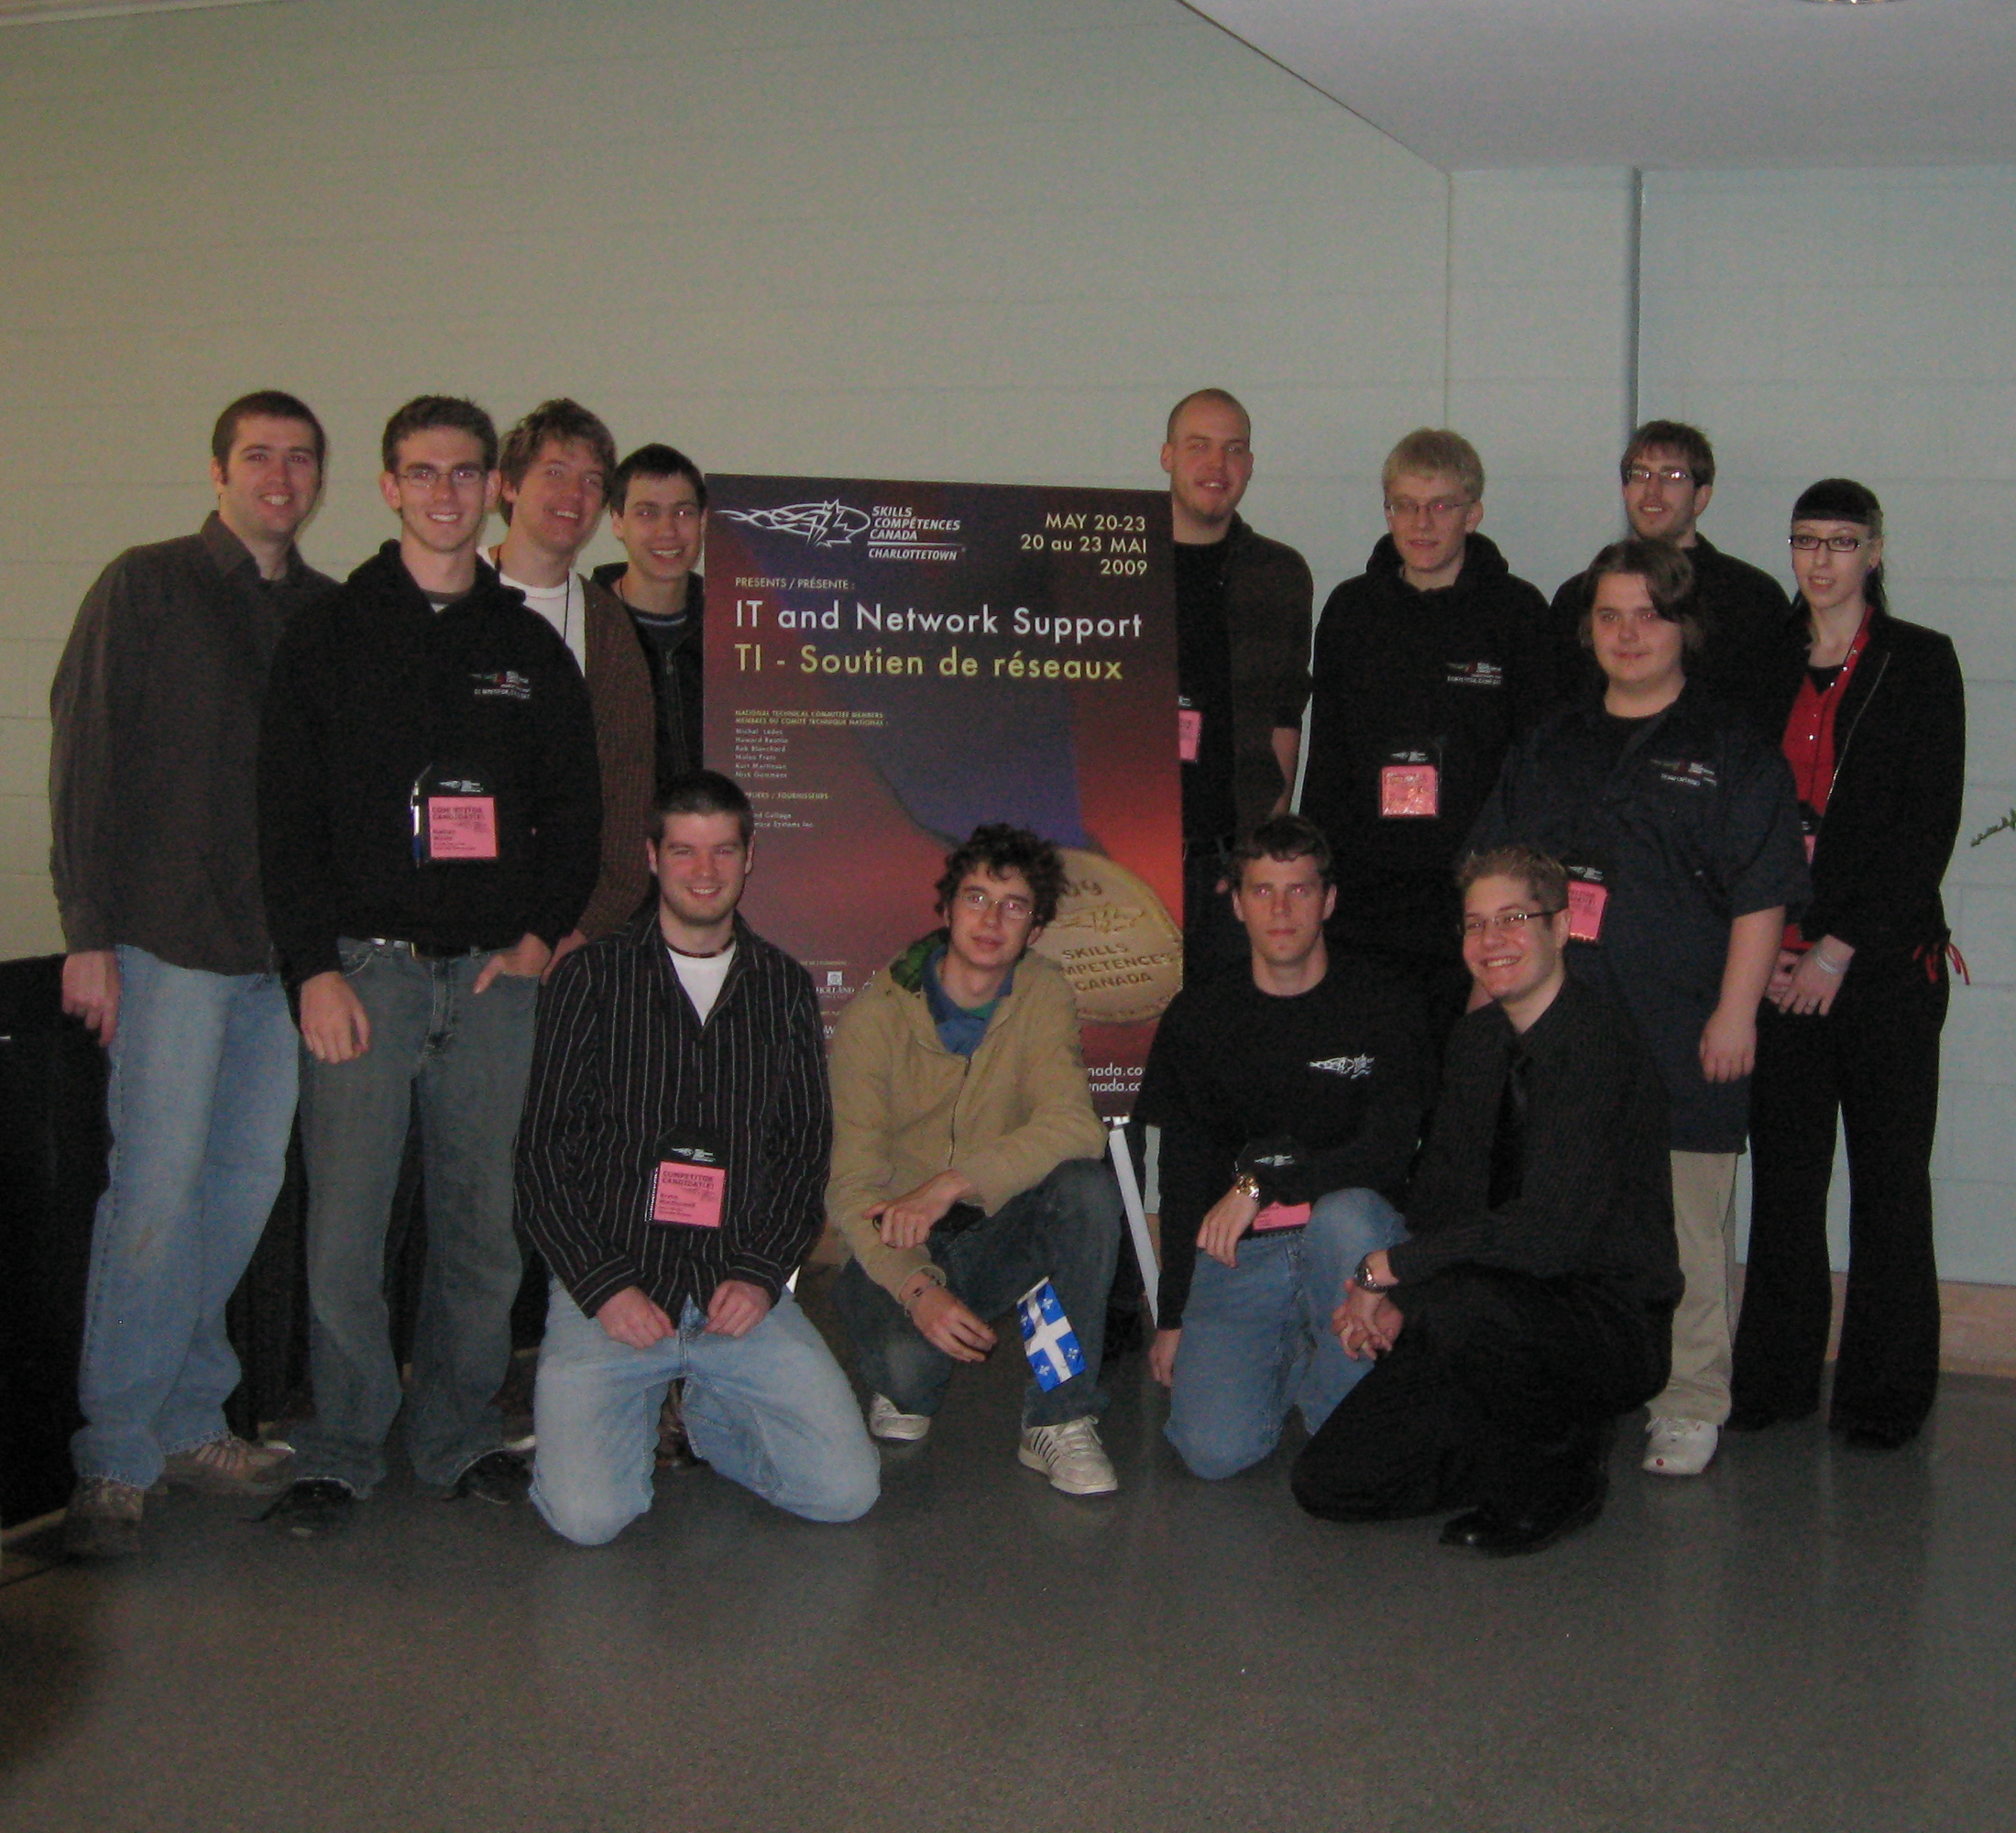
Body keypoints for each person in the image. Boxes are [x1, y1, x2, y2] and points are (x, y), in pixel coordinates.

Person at [255, 395, 601, 1532]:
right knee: (346, 1227)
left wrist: (541, 935)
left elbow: (576, 813)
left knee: (482, 1225)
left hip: (495, 985)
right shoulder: (331, 632)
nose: (445, 493)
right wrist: (313, 968)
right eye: (422, 472)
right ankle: (343, 1443)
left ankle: (455, 1435)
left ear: (489, 490)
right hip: (367, 972)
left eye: (464, 474)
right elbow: (285, 815)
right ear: (389, 487)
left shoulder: (526, 646)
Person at [49, 391, 332, 1556]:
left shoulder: (322, 611)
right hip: (165, 943)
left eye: (299, 457)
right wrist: (85, 928)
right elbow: (86, 751)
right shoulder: (144, 584)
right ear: (219, 470)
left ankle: (185, 1416)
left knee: (238, 1193)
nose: (279, 473)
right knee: (154, 1201)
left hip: (277, 958)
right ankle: (116, 1448)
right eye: (258, 455)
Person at [1469, 537, 1808, 1478]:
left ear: (1682, 627)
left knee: (1685, 1227)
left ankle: (1690, 1398)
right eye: (1609, 616)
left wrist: (1736, 1013)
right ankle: (1578, 1382)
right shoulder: (1552, 741)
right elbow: (1495, 881)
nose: (1628, 633)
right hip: (1561, 1034)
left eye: (1647, 615)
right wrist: (1482, 1015)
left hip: (1682, 1026)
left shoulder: (1730, 747)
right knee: (1559, 1214)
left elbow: (1761, 892)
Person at [516, 772, 878, 1541]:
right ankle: (634, 1410)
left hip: (732, 1294)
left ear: (750, 860)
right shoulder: (589, 980)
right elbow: (542, 1161)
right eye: (683, 850)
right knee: (589, 1519)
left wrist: (758, 1271)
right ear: (651, 857)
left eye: (723, 851)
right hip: (612, 1291)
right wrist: (605, 1287)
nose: (704, 871)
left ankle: (705, 1414)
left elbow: (803, 1149)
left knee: (844, 1492)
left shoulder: (781, 986)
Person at [1290, 847, 1682, 1556]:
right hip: (1485, 1308)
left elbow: (1548, 1237)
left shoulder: (1600, 1044)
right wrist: (1399, 1292)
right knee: (1331, 1483)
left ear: (1561, 928)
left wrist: (1391, 1271)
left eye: (1513, 919)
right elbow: (1443, 1196)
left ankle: (1562, 1472)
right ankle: (1511, 1445)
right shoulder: (1476, 1042)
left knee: (1459, 1303)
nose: (1490, 942)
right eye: (1475, 924)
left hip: (1602, 1319)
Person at [1731, 480, 1967, 1451]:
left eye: (1840, 542)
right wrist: (1776, 949)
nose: (1820, 560)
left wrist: (1835, 945)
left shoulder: (1918, 663)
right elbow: (1740, 817)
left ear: (1873, 550)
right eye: (1805, 541)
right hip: (1776, 967)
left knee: (1887, 1182)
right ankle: (1778, 1380)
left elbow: (1924, 827)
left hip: (1878, 970)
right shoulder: (1760, 664)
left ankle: (1882, 1396)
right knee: (1784, 1186)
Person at [827, 825, 1125, 1495]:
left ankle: (1059, 1417)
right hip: (901, 1242)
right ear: (945, 910)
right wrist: (918, 1289)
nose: (992, 919)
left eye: (1014, 905)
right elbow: (850, 1189)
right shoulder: (877, 1015)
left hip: (999, 1226)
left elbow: (1075, 1124)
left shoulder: (1042, 992)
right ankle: (903, 1370)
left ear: (1035, 928)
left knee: (1083, 1192)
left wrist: (954, 1183)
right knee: (910, 1382)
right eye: (977, 897)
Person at [1134, 815, 1432, 1479]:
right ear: (1235, 903)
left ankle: (1333, 1391)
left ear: (1328, 900)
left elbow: (1388, 1152)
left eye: (1299, 890)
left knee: (1349, 1212)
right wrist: (1173, 1315)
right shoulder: (1199, 1017)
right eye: (1262, 891)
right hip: (1243, 1252)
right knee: (1214, 1454)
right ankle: (1295, 1346)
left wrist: (1261, 1185)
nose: (1281, 909)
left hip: (1351, 1249)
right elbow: (1184, 1176)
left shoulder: (1386, 1001)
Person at [1298, 428, 1555, 1040]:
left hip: (1475, 898)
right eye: (1405, 505)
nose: (1422, 522)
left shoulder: (1518, 614)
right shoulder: (1350, 610)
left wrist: (1520, 895)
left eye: (1441, 505)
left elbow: (1538, 766)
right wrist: (1317, 878)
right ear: (1387, 509)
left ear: (1473, 512)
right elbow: (1327, 757)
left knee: (1468, 1080)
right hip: (1367, 896)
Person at [1158, 389, 1314, 982]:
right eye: (1199, 446)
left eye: (1234, 450)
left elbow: (1285, 713)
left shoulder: (1279, 574)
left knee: (1224, 1034)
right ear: (1168, 455)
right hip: (1126, 850)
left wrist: (1266, 850)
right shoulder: (1116, 561)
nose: (1216, 466)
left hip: (1230, 857)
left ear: (1249, 464)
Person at [490, 401, 655, 956]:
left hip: (563, 939)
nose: (575, 495)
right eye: (555, 473)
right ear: (508, 486)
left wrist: (580, 930)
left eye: (592, 481)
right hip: (442, 933)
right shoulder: (447, 597)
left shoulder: (607, 627)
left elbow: (629, 795)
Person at [1550, 421, 1790, 733]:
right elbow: (1557, 711)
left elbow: (1772, 719)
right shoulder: (1579, 596)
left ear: (1701, 497)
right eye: (1640, 474)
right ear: (1624, 491)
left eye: (1672, 476)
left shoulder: (1753, 598)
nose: (1652, 491)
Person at [592, 444, 709, 792]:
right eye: (646, 513)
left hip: (715, 842)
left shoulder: (735, 630)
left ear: (704, 520)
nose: (667, 531)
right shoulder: (584, 628)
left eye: (683, 513)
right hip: (617, 841)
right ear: (617, 521)